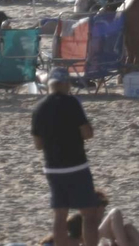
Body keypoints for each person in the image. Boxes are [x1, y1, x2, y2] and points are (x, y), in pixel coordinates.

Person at [32, 66, 101, 246]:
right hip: (76, 165)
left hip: (53, 168)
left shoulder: (39, 108)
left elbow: (38, 145)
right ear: (65, 84)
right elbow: (87, 133)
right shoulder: (72, 103)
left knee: (60, 215)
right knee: (89, 214)